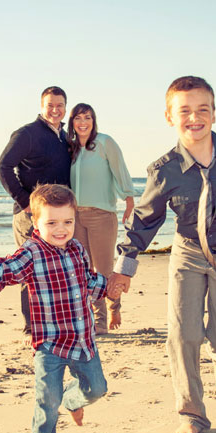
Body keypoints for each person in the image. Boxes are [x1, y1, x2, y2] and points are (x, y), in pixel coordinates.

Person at [109, 76, 216, 433]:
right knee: (182, 334)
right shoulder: (164, 171)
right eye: (184, 111)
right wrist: (124, 268)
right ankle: (191, 412)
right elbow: (143, 219)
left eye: (202, 109)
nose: (194, 118)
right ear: (169, 117)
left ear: (214, 112)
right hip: (188, 255)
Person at [0, 184, 109, 433]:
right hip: (49, 344)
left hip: (82, 339)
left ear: (75, 220)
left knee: (97, 389)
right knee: (47, 401)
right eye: (51, 223)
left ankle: (73, 401)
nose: (61, 229)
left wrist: (109, 288)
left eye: (67, 222)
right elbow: (4, 268)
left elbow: (87, 282)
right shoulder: (31, 253)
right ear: (35, 222)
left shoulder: (78, 250)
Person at [0, 87, 72, 332]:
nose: (55, 109)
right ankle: (32, 325)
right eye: (50, 105)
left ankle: (55, 321)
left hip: (57, 217)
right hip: (30, 216)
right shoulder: (27, 133)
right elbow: (3, 166)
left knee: (56, 268)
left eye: (59, 105)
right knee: (31, 268)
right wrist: (25, 200)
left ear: (65, 108)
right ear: (42, 106)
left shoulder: (64, 137)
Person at [67, 103, 135, 334]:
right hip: (75, 216)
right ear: (72, 122)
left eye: (88, 117)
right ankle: (98, 321)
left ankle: (114, 306)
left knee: (104, 271)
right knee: (85, 271)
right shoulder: (70, 148)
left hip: (101, 215)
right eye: (78, 118)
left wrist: (128, 198)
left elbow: (120, 170)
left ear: (93, 121)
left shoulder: (105, 143)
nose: (83, 122)